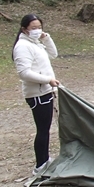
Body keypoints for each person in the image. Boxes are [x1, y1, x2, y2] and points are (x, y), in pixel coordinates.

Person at [12, 14, 60, 175]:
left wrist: (46, 38)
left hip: (45, 91)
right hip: (37, 94)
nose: (37, 30)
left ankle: (45, 159)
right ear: (24, 29)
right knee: (42, 129)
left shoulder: (36, 43)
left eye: (39, 27)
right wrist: (48, 80)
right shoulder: (22, 46)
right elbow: (24, 73)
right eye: (33, 28)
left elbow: (53, 54)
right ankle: (40, 165)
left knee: (45, 128)